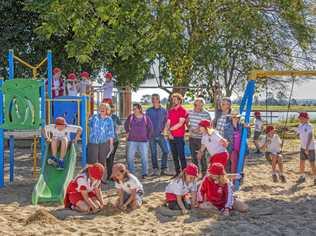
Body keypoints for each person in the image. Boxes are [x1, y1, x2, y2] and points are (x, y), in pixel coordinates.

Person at [124, 103, 153, 178]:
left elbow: (150, 128)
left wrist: (148, 138)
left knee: (144, 157)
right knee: (130, 157)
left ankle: (144, 173)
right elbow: (126, 125)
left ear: (140, 109)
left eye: (135, 108)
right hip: (132, 140)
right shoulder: (131, 117)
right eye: (133, 109)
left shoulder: (146, 117)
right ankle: (132, 174)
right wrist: (127, 132)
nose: (134, 110)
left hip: (143, 141)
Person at [88, 103, 115, 182]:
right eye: (101, 108)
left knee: (102, 161)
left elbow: (111, 133)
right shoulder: (94, 117)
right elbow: (88, 125)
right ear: (99, 109)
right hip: (93, 142)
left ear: (107, 110)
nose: (102, 109)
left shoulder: (109, 119)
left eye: (104, 108)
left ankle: (101, 178)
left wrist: (111, 145)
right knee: (92, 161)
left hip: (104, 142)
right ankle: (91, 178)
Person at [146, 94, 170, 176]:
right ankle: (155, 169)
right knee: (153, 153)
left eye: (156, 98)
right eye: (153, 99)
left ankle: (164, 169)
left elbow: (167, 122)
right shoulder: (148, 111)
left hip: (161, 135)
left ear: (159, 100)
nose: (154, 100)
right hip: (151, 135)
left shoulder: (164, 111)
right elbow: (146, 123)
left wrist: (165, 131)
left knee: (166, 151)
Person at [165, 93, 188, 178]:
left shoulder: (183, 110)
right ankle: (177, 172)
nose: (174, 101)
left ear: (179, 100)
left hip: (179, 136)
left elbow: (180, 123)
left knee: (181, 155)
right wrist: (167, 132)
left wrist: (169, 130)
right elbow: (168, 122)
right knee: (174, 155)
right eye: (173, 99)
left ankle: (184, 173)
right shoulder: (171, 110)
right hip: (171, 137)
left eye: (176, 99)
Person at [187, 97, 211, 176]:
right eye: (197, 105)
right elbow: (187, 121)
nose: (198, 106)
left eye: (200, 105)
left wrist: (199, 129)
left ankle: (204, 173)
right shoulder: (190, 112)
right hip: (192, 137)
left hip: (202, 139)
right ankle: (195, 173)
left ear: (203, 105)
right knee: (194, 156)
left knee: (203, 156)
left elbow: (209, 126)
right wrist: (189, 128)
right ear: (194, 104)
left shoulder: (206, 114)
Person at [296, 112, 316, 184]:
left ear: (306, 118)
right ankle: (302, 176)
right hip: (302, 147)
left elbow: (310, 136)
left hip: (310, 148)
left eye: (301, 118)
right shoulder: (300, 126)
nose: (300, 119)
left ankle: (315, 177)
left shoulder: (309, 126)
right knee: (302, 162)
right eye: (299, 118)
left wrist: (307, 148)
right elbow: (297, 133)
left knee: (312, 163)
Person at [106, 104, 122, 180]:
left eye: (113, 109)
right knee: (105, 158)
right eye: (110, 109)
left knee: (110, 158)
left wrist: (116, 132)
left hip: (114, 140)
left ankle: (110, 175)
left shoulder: (115, 117)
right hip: (104, 141)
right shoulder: (102, 116)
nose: (112, 110)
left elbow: (120, 125)